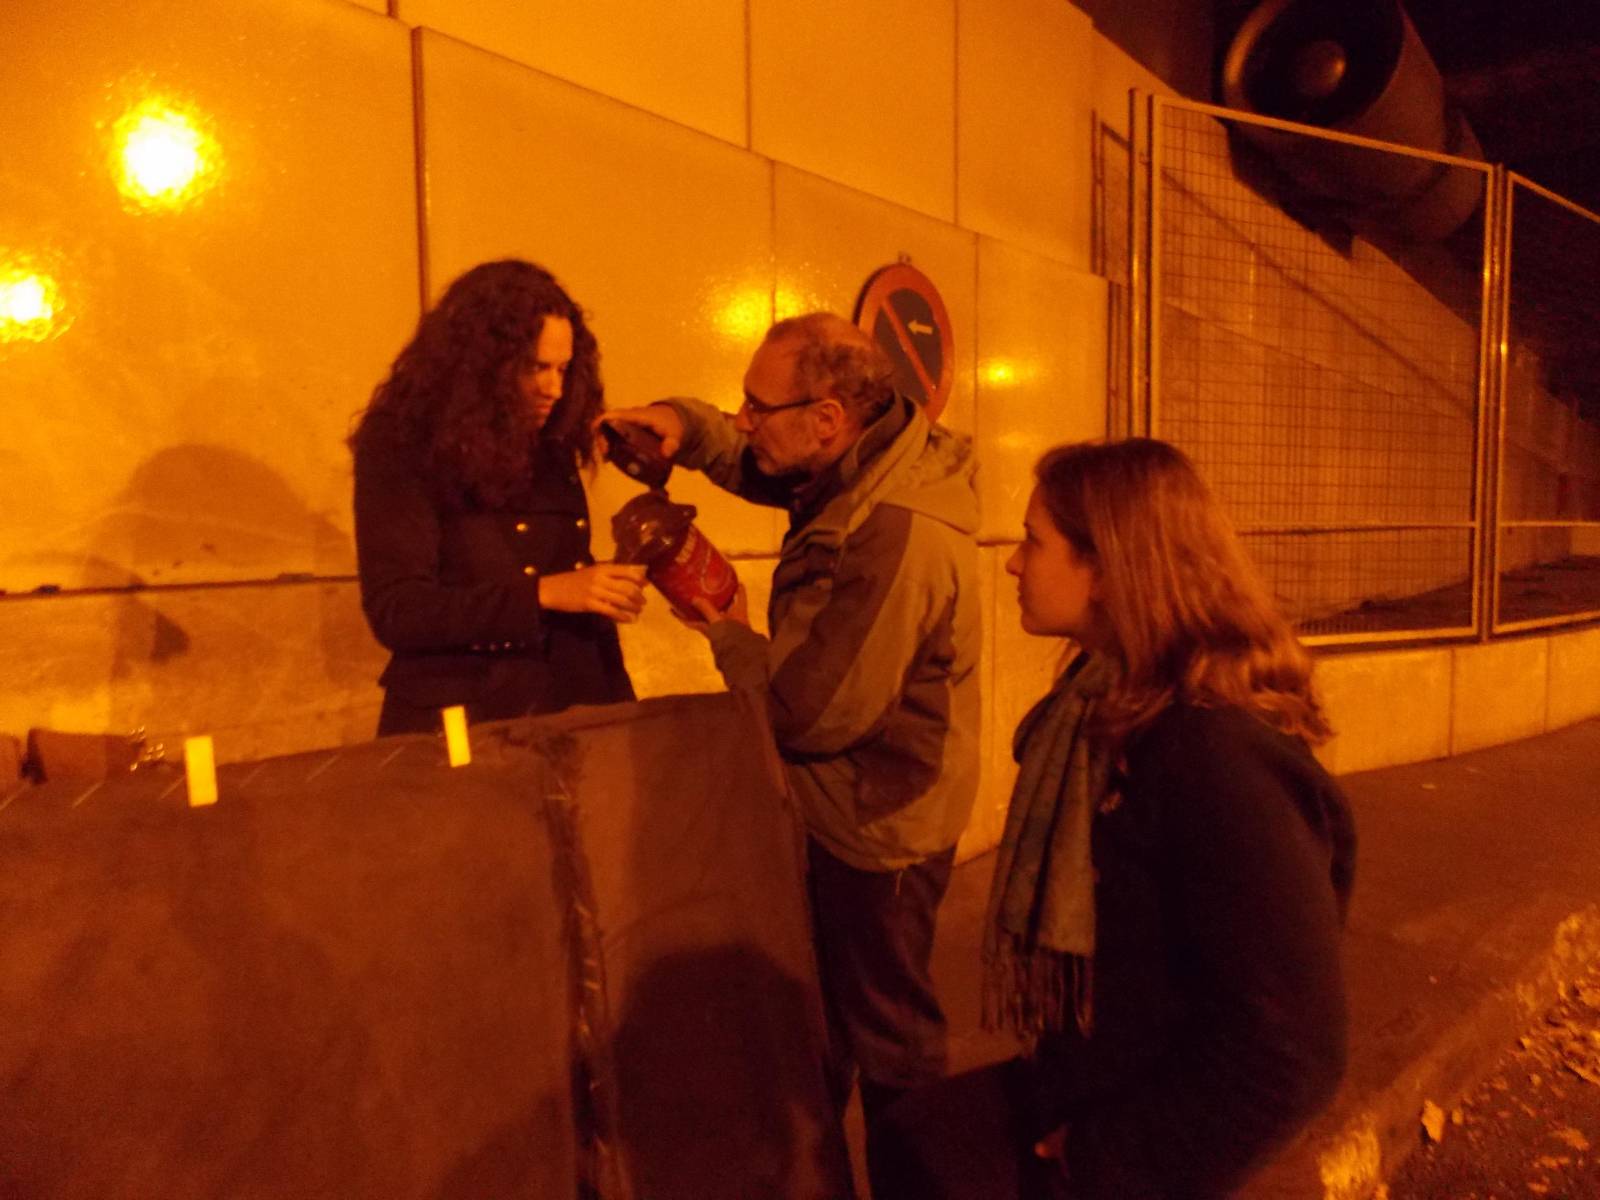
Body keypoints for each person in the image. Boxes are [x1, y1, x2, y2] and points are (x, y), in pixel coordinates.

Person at [875, 438, 1357, 1199]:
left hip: (1153, 1126)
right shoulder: (1105, 707)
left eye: (1034, 542)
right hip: (1102, 1071)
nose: (1012, 563)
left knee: (929, 1155)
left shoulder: (1213, 753)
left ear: (1106, 569)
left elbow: (1294, 1051)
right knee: (916, 1140)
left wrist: (1103, 1159)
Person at [603, 313, 981, 1191]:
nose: (742, 420)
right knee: (828, 1027)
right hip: (854, 804)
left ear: (826, 419)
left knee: (893, 1045)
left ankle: (917, 1184)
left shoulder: (894, 532)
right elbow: (755, 461)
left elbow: (807, 713)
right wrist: (684, 424)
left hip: (877, 827)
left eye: (754, 405)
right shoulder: (854, 462)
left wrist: (728, 632)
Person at [350, 259, 645, 736]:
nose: (554, 388)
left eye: (565, 369)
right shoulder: (402, 442)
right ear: (482, 364)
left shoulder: (550, 436)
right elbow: (398, 610)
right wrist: (545, 594)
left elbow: (566, 570)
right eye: (536, 368)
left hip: (574, 711)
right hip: (465, 722)